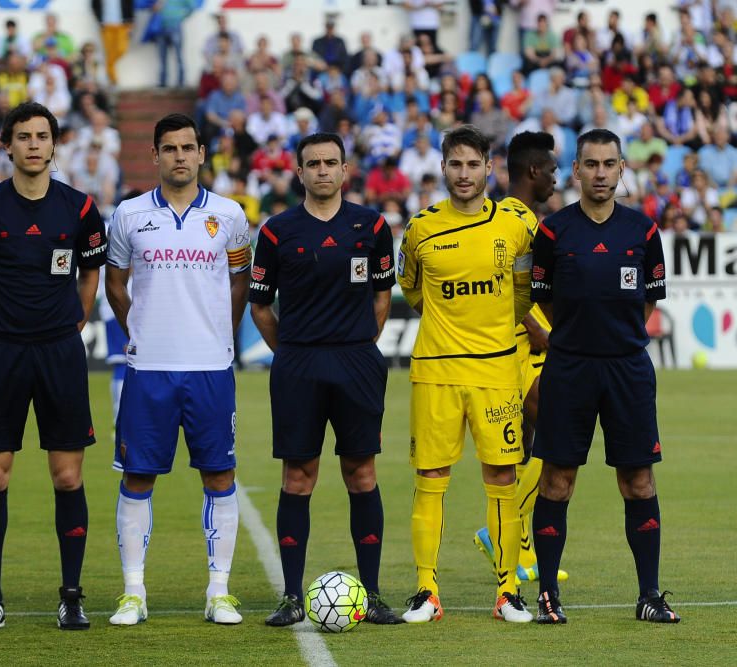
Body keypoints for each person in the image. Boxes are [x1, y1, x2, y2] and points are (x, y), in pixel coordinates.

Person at [0, 102, 107, 631]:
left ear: (54, 144)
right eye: (23, 136)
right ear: (7, 145)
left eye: (41, 136)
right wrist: (7, 312)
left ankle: (71, 596)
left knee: (67, 477)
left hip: (60, 352)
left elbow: (90, 272)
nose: (33, 144)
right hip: (2, 350)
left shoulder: (80, 207)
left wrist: (77, 318)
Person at [248, 132, 401, 627]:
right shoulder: (276, 231)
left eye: (330, 162)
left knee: (361, 473)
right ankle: (292, 597)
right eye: (312, 163)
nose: (322, 171)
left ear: (344, 168)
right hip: (299, 365)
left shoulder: (371, 226)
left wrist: (357, 345)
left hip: (356, 362)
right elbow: (260, 304)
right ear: (299, 171)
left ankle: (373, 594)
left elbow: (382, 298)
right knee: (299, 476)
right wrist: (292, 351)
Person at [105, 113, 251, 626]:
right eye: (170, 149)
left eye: (188, 148)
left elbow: (240, 280)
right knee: (138, 477)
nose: (180, 157)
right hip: (150, 369)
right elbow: (115, 283)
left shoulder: (231, 216)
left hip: (210, 367)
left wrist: (222, 332)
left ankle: (219, 591)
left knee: (220, 473)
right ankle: (133, 592)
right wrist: (138, 331)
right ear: (156, 156)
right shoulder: (128, 214)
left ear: (202, 154)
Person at [529, 129, 679, 625]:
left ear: (621, 170)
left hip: (628, 369)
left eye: (608, 164)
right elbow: (544, 298)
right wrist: (575, 339)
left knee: (638, 479)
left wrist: (612, 341)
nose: (599, 173)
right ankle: (548, 594)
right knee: (558, 478)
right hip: (569, 368)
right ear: (575, 170)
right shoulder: (553, 232)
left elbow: (646, 305)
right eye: (590, 164)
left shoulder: (644, 232)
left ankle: (649, 595)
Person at [396, 124, 536, 624]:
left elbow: (525, 292)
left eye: (472, 164)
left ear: (488, 168)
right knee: (431, 476)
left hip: (497, 369)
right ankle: (426, 591)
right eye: (454, 164)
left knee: (502, 475)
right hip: (435, 370)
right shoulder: (420, 228)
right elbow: (412, 290)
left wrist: (495, 329)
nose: (463, 173)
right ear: (442, 168)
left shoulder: (516, 225)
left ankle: (507, 593)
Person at [471, 131, 569, 585]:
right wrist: (543, 332)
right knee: (555, 433)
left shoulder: (521, 216)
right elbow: (511, 286)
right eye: (551, 169)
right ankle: (499, 535)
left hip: (519, 348)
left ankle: (519, 547)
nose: (555, 177)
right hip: (512, 347)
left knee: (528, 445)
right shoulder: (516, 219)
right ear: (533, 171)